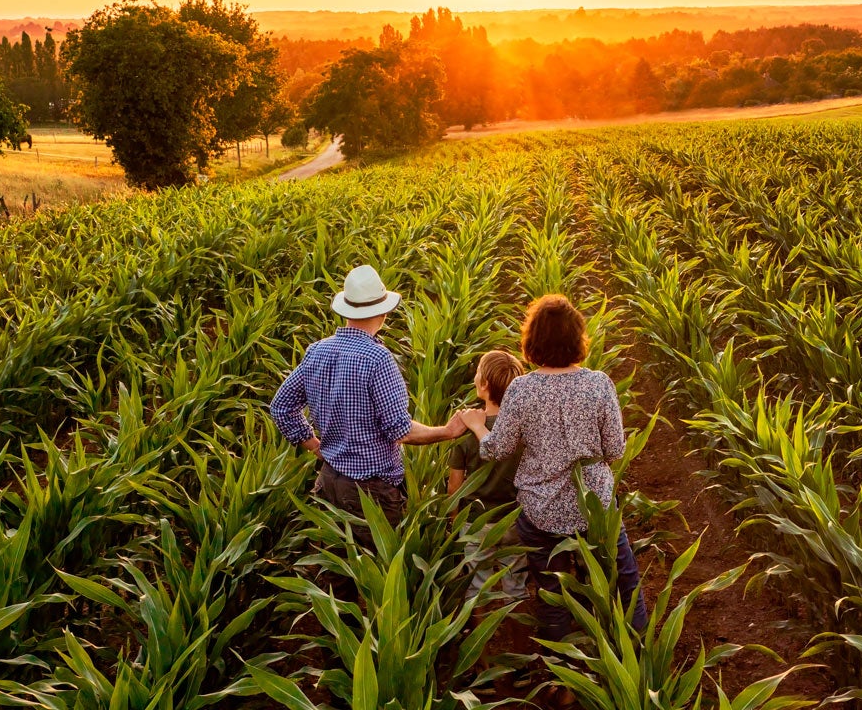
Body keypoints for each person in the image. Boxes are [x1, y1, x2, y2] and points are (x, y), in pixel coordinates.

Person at [461, 294, 649, 643]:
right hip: (595, 508)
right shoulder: (599, 384)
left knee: (551, 593)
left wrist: (476, 427)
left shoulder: (521, 389)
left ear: (532, 342)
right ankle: (636, 656)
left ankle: (560, 681)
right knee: (624, 580)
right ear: (578, 338)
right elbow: (616, 449)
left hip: (541, 513)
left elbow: (497, 450)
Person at [270, 264, 467, 541]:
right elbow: (401, 430)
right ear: (382, 312)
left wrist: (313, 445)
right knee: (373, 572)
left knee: (334, 572)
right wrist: (446, 431)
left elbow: (281, 406)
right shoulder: (378, 359)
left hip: (328, 480)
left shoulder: (317, 351)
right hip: (370, 493)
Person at [448, 350, 528, 604]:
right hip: (515, 519)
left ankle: (479, 642)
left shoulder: (465, 431)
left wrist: (454, 521)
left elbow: (455, 485)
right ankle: (521, 643)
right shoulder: (523, 428)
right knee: (515, 586)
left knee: (476, 588)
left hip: (476, 522)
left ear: (483, 385)